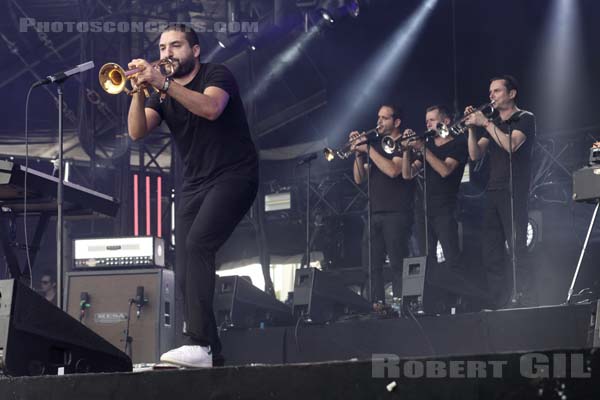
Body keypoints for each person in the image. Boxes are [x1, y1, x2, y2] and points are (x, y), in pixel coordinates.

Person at [127, 24, 259, 367]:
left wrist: (163, 83)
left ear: (195, 50)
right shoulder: (160, 91)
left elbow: (211, 108)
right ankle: (211, 352)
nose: (166, 54)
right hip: (195, 184)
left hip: (235, 174)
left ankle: (198, 342)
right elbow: (137, 132)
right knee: (184, 262)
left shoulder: (217, 73)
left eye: (175, 46)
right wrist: (138, 91)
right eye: (162, 48)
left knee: (200, 243)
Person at [464, 75, 536, 308]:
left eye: (496, 91)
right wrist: (472, 130)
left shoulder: (524, 118)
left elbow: (511, 145)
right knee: (491, 250)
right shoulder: (492, 124)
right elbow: (475, 155)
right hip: (493, 192)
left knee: (516, 248)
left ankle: (522, 297)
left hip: (514, 190)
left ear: (512, 93)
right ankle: (498, 300)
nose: (491, 96)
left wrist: (485, 123)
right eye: (490, 91)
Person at [351, 104, 415, 304]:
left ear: (396, 122)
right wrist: (358, 154)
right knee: (370, 266)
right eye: (378, 117)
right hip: (374, 212)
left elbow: (393, 171)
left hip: (397, 212)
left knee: (398, 264)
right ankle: (376, 306)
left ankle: (404, 306)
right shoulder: (376, 146)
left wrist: (368, 149)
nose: (379, 121)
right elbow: (360, 178)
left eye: (384, 118)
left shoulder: (404, 144)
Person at [403, 105, 467, 270]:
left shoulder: (458, 142)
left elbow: (445, 170)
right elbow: (408, 174)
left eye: (432, 120)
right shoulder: (428, 145)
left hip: (446, 208)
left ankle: (458, 294)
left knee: (452, 257)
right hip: (423, 209)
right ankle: (431, 294)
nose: (428, 125)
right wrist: (406, 151)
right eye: (426, 121)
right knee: (426, 260)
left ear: (446, 121)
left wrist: (422, 148)